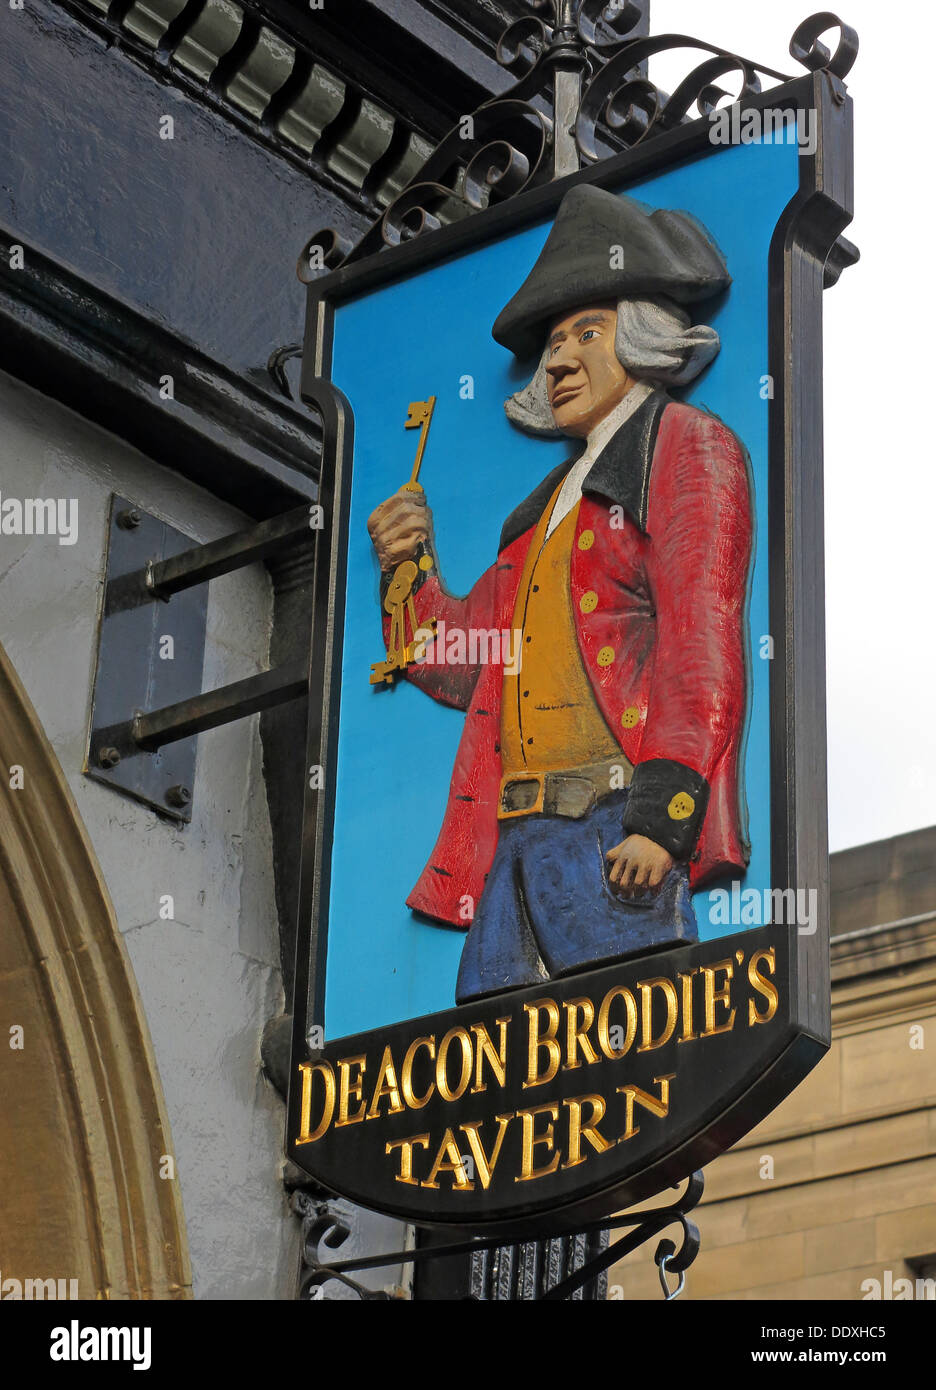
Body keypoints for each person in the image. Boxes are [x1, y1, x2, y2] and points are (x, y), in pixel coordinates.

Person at [367, 185, 752, 1003]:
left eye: (587, 331)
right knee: (493, 1092)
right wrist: (409, 567)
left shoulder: (686, 447)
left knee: (627, 1063)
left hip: (613, 833)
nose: (559, 360)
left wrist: (661, 818)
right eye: (551, 342)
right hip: (511, 842)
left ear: (644, 335)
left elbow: (701, 642)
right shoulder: (541, 510)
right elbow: (458, 656)